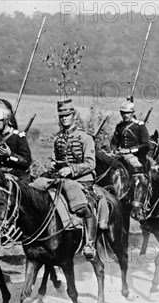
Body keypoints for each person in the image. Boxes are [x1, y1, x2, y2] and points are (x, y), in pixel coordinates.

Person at [52, 99, 98, 259]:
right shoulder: (58, 139)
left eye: (67, 115)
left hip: (82, 179)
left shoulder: (85, 138)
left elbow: (91, 164)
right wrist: (54, 166)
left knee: (83, 206)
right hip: (61, 179)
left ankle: (90, 244)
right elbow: (55, 159)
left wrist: (71, 169)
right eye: (61, 116)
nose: (64, 118)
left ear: (74, 116)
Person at [0, 99, 32, 179]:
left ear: (6, 120)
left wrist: (10, 154)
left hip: (17, 175)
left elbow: (26, 161)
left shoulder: (18, 137)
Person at [110, 99, 150, 174]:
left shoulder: (140, 126)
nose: (125, 115)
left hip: (137, 157)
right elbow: (114, 142)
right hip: (120, 155)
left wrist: (129, 150)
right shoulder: (119, 126)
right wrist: (114, 149)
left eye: (128, 113)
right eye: (123, 113)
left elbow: (146, 146)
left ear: (132, 113)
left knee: (136, 169)